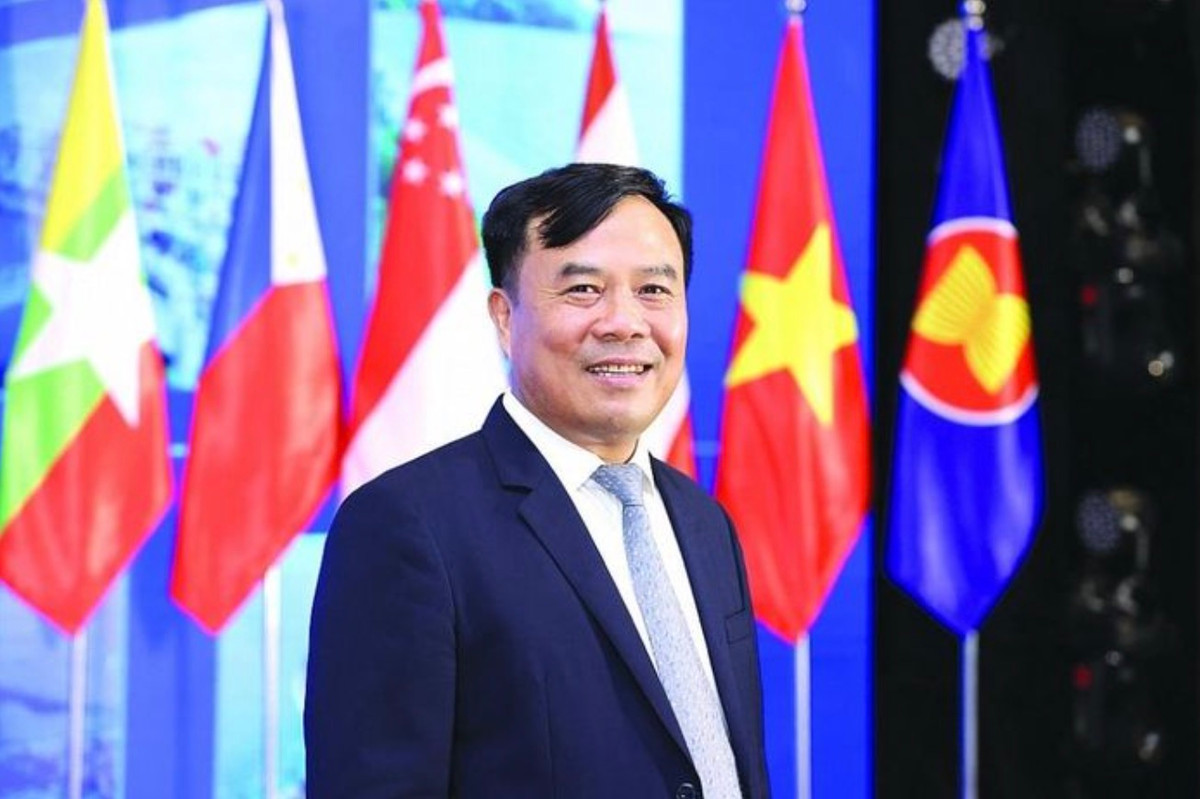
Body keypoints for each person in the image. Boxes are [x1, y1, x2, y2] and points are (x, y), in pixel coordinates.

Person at [305, 163, 769, 798]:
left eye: (654, 290)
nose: (625, 322)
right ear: (504, 317)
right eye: (583, 290)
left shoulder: (703, 521)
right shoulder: (408, 527)